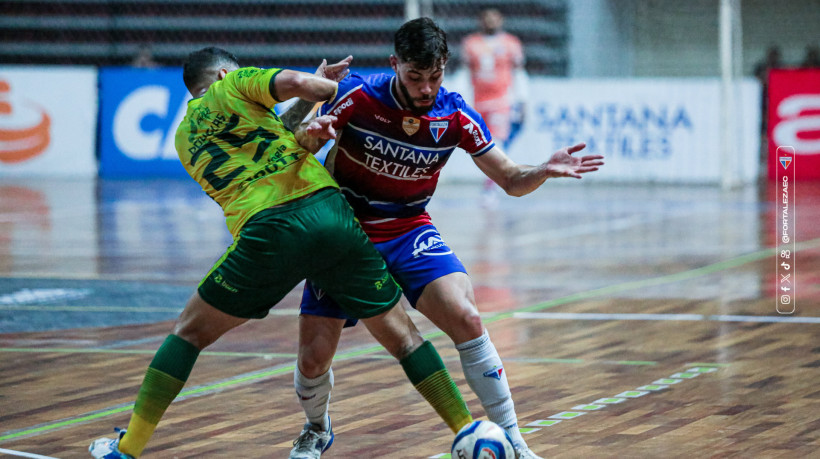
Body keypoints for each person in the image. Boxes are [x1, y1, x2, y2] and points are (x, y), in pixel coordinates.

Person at [88, 47, 473, 459]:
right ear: (223, 75)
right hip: (328, 212)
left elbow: (274, 135)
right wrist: (353, 92)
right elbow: (296, 82)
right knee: (405, 339)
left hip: (267, 234)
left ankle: (128, 449)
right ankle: (468, 431)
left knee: (188, 334)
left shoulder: (184, 138)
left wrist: (309, 104)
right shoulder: (235, 83)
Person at [287, 18, 603, 459]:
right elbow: (292, 143)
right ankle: (316, 428)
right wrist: (309, 135)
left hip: (408, 228)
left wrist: (543, 171)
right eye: (415, 78)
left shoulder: (454, 114)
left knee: (467, 317)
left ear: (444, 67)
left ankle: (513, 439)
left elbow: (511, 179)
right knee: (312, 360)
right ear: (395, 64)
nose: (425, 89)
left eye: (434, 77)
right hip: (346, 231)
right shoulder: (357, 95)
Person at [460, 8, 529, 206]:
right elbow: (465, 74)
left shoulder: (511, 43)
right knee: (478, 145)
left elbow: (519, 73)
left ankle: (490, 187)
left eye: (494, 18)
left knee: (495, 143)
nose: (490, 21)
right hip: (477, 102)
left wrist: (522, 101)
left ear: (501, 20)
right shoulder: (471, 44)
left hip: (501, 101)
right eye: (487, 18)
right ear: (481, 21)